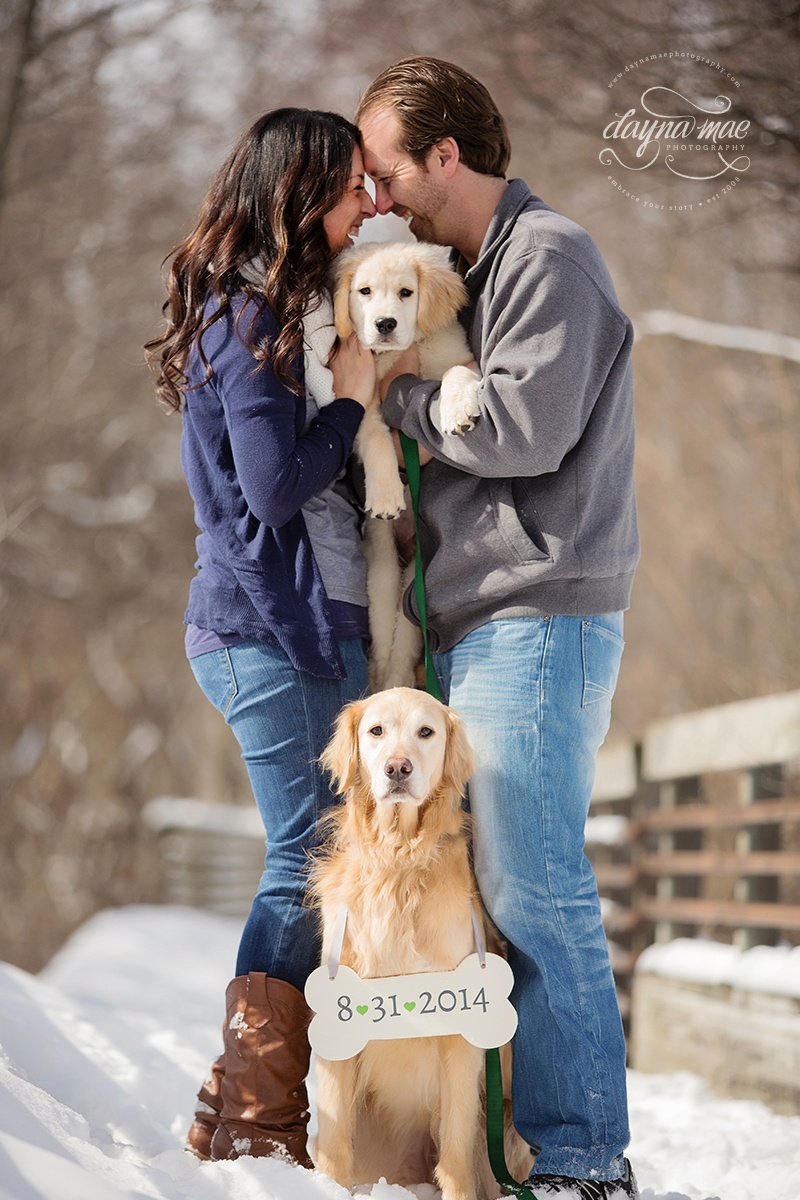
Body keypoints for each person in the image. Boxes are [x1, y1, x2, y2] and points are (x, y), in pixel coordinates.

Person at [356, 58, 640, 1200]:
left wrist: (398, 402)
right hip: (483, 616)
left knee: (533, 885)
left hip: (539, 609)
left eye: (385, 170)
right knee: (499, 888)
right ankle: (522, 1144)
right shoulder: (461, 272)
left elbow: (522, 428)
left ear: (443, 156)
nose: (376, 196)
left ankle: (582, 1159)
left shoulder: (548, 258)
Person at [144, 108, 377, 1166]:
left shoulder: (266, 313)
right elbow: (277, 489)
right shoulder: (244, 321)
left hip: (280, 627)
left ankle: (237, 1100)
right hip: (259, 630)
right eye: (348, 189)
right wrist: (353, 409)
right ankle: (252, 1114)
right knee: (305, 854)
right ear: (300, 194)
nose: (362, 205)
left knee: (317, 851)